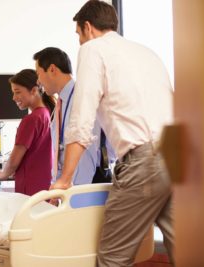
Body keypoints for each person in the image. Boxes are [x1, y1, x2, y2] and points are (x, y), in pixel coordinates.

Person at [52, 1, 175, 266]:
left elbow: (82, 118)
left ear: (87, 27)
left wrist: (64, 178)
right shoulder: (146, 52)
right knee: (187, 250)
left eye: (78, 35)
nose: (80, 42)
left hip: (146, 159)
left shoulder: (94, 49)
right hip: (179, 154)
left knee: (113, 258)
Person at [33, 47, 114, 185]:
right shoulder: (61, 104)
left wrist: (74, 194)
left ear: (52, 69)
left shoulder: (81, 98)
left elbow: (85, 153)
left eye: (38, 74)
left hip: (88, 184)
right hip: (71, 185)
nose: (38, 81)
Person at [0, 69, 56, 196]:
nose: (14, 97)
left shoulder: (31, 119)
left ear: (33, 90)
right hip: (45, 185)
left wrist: (3, 174)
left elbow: (15, 158)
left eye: (17, 92)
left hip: (31, 187)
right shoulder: (48, 113)